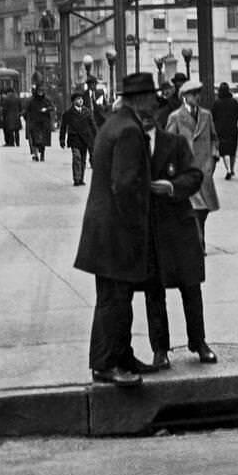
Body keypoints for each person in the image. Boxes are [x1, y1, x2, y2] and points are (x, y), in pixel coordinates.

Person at [73, 71, 160, 388]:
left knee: (118, 297)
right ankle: (106, 363)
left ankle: (122, 355)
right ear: (141, 99)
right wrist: (137, 224)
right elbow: (124, 185)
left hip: (105, 228)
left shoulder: (116, 122)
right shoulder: (128, 131)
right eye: (152, 97)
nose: (155, 103)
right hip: (116, 231)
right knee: (113, 300)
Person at [139, 107, 217, 368]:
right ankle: (160, 349)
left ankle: (199, 341)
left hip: (179, 223)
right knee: (154, 290)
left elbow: (195, 176)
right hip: (149, 227)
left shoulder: (174, 143)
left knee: (190, 286)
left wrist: (172, 187)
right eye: (139, 112)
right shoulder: (129, 146)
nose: (145, 116)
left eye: (148, 111)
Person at [165, 78, 219, 253]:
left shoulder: (206, 115)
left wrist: (214, 156)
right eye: (193, 94)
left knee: (203, 211)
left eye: (199, 93)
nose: (198, 97)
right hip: (186, 170)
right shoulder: (175, 117)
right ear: (184, 97)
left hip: (205, 169)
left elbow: (214, 138)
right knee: (194, 209)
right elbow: (168, 143)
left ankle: (197, 238)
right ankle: (198, 242)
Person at [59, 90, 97, 186]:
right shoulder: (68, 113)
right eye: (78, 99)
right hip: (74, 138)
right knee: (77, 157)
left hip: (85, 138)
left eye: (81, 99)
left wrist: (97, 135)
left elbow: (93, 125)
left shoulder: (87, 112)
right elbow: (63, 127)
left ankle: (81, 178)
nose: (80, 101)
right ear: (73, 101)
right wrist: (62, 139)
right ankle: (76, 178)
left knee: (83, 159)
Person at [211, 82, 238, 179]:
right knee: (232, 150)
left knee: (224, 151)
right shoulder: (234, 102)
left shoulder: (216, 103)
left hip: (220, 130)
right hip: (233, 130)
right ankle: (232, 169)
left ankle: (228, 169)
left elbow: (212, 117)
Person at [24, 80, 55, 162]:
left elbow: (52, 107)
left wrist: (46, 109)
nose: (40, 93)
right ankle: (36, 154)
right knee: (35, 140)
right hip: (35, 122)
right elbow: (27, 110)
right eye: (39, 91)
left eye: (42, 91)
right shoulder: (32, 101)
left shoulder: (47, 100)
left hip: (44, 123)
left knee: (43, 141)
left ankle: (42, 154)